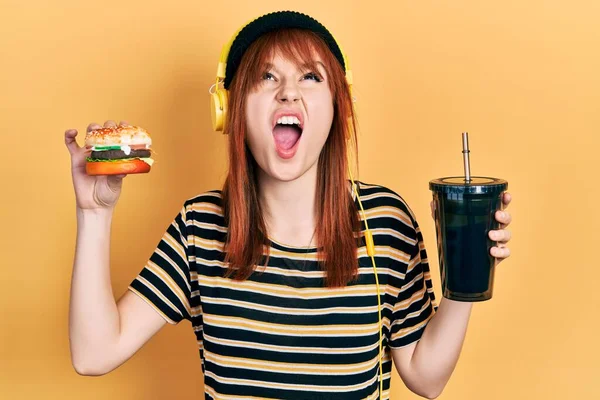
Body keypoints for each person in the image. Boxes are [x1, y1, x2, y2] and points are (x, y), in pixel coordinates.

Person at [64, 10, 513, 400]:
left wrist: (466, 270)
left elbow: (426, 377)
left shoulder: (386, 222)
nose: (288, 92)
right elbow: (95, 353)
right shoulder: (200, 226)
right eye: (266, 77)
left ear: (340, 106)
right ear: (231, 110)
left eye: (310, 76)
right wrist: (94, 214)